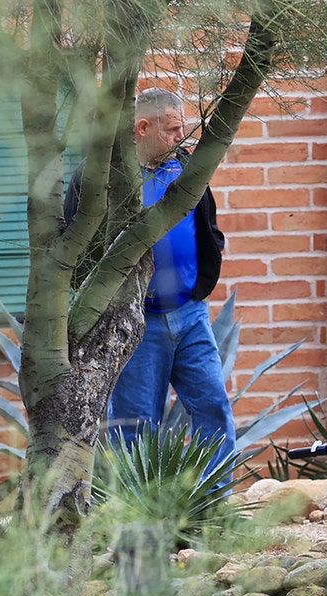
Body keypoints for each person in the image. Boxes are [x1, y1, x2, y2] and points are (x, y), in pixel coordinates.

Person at [64, 87, 235, 486]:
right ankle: (139, 520)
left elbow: (206, 226)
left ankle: (211, 506)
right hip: (137, 325)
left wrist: (203, 279)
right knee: (135, 426)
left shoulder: (184, 166)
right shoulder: (100, 178)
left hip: (190, 315)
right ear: (143, 127)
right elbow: (76, 252)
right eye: (173, 130)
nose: (181, 138)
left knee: (213, 407)